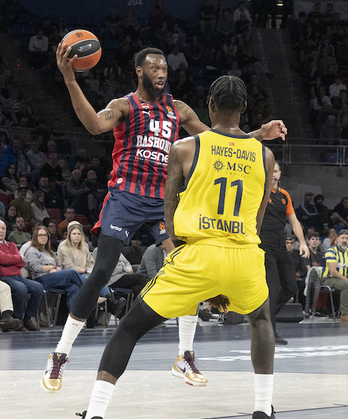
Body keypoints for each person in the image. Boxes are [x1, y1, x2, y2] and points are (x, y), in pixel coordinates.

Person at [41, 45, 287, 393]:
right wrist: (69, 78)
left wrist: (259, 135)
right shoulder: (125, 106)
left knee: (187, 264)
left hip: (162, 202)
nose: (161, 73)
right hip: (125, 197)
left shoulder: (179, 109)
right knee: (99, 272)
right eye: (154, 68)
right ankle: (59, 355)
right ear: (139, 71)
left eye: (165, 69)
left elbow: (220, 141)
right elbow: (95, 124)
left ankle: (184, 355)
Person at [259, 161, 309, 345]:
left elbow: (294, 221)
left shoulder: (284, 195)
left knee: (290, 287)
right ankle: (269, 331)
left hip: (280, 241)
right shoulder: (258, 192)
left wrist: (302, 243)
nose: (273, 174)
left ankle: (262, 315)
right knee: (272, 288)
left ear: (280, 174)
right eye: (270, 170)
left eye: (276, 170)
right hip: (263, 242)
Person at [57, 221, 118, 312]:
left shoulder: (84, 246)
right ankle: (98, 299)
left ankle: (110, 299)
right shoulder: (64, 248)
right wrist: (85, 270)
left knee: (98, 276)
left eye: (79, 234)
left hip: (86, 273)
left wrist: (93, 270)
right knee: (88, 278)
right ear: (69, 235)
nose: (77, 236)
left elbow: (91, 262)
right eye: (74, 234)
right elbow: (69, 268)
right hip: (71, 276)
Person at [25, 226, 83, 314]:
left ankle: (74, 319)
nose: (43, 237)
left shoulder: (49, 251)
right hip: (40, 279)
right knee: (72, 272)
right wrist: (51, 268)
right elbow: (36, 268)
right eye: (40, 235)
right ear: (35, 237)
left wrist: (56, 269)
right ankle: (87, 295)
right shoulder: (32, 250)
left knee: (73, 287)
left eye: (45, 235)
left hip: (53, 278)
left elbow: (59, 265)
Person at [0, 219, 43, 331]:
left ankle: (27, 318)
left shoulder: (12, 245)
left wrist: (13, 260)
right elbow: (3, 259)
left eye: (3, 228)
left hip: (18, 276)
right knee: (21, 288)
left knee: (38, 287)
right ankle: (17, 320)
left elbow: (21, 263)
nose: (1, 231)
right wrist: (17, 258)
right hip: (5, 277)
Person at [321, 229, 348, 322]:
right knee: (346, 285)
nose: (345, 240)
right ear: (337, 240)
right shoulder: (331, 251)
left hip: (342, 277)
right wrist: (346, 280)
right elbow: (333, 272)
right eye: (343, 238)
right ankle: (345, 314)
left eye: (347, 238)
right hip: (329, 278)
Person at [285, 234, 307, 308]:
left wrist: (294, 275)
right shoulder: (280, 254)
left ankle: (302, 308)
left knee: (303, 283)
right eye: (287, 243)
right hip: (282, 279)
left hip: (295, 279)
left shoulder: (298, 254)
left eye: (291, 243)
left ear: (295, 244)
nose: (289, 245)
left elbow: (304, 271)